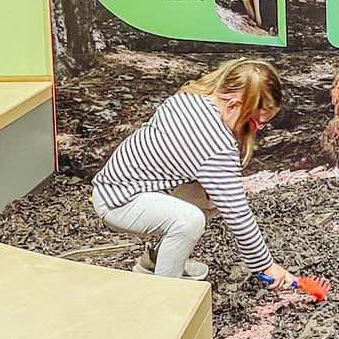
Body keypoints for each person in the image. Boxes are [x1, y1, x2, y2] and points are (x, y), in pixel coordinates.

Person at [91, 57, 298, 286]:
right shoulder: (215, 143)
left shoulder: (191, 98)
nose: (255, 130)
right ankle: (164, 292)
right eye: (255, 123)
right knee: (189, 220)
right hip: (120, 202)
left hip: (122, 185)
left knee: (209, 199)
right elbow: (238, 213)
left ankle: (156, 261)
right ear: (233, 104)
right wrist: (266, 266)